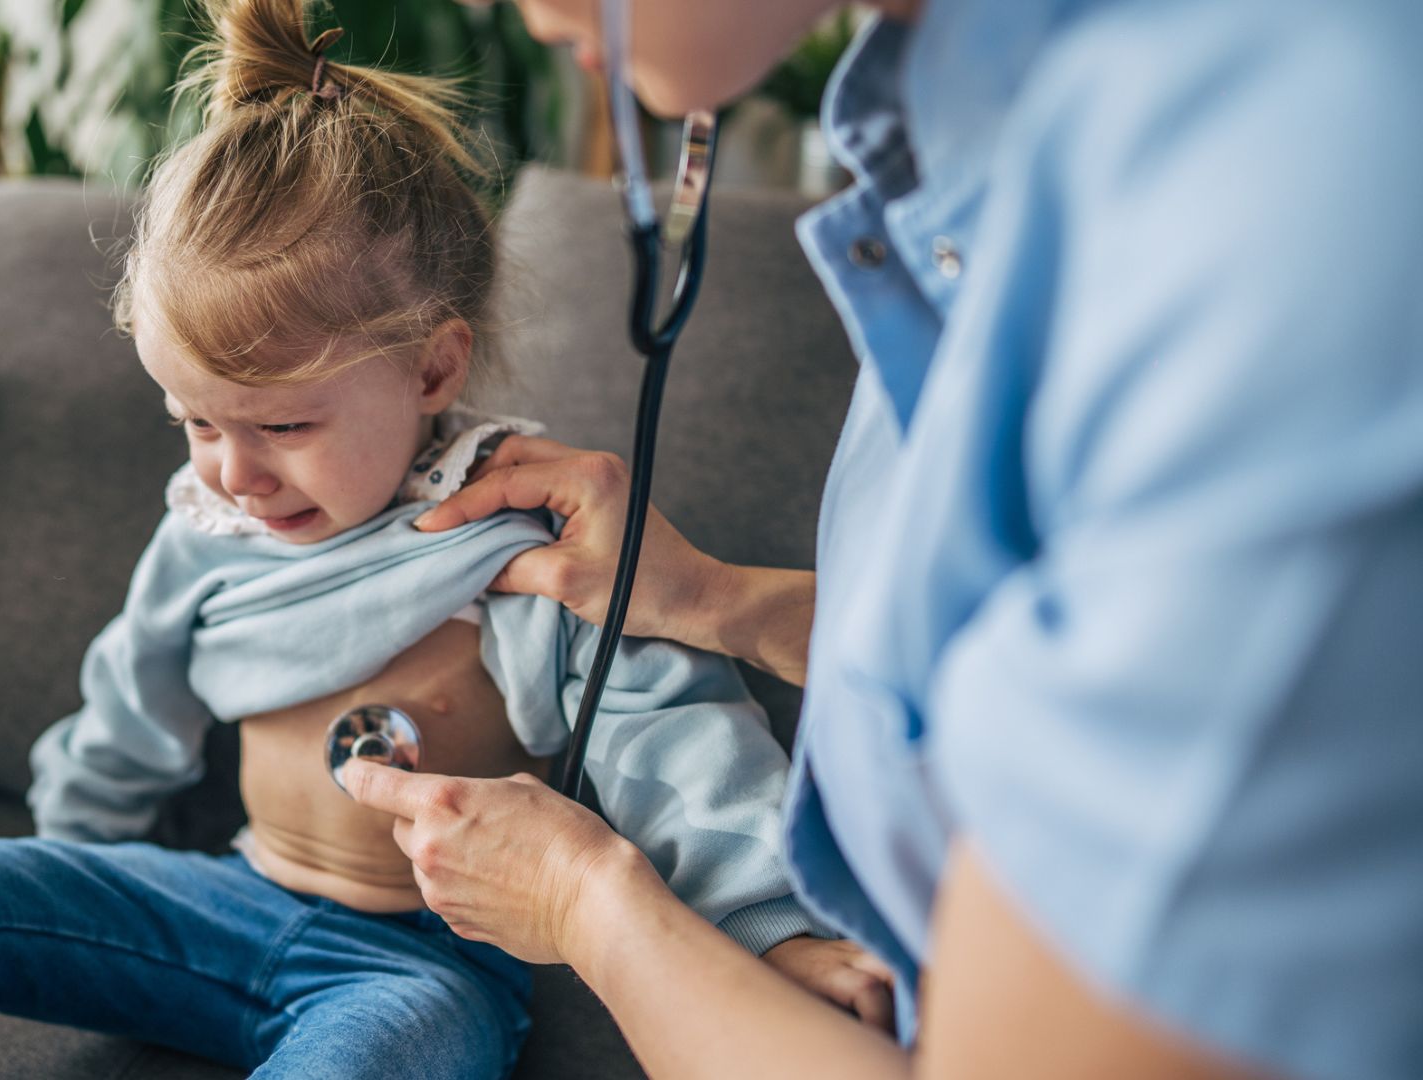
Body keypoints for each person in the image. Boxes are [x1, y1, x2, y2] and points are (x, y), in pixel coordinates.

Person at [0, 2, 891, 1077]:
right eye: (193, 422)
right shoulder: (211, 529)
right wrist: (70, 872)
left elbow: (671, 738)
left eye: (282, 423)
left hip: (419, 964)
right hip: (220, 902)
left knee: (397, 1043)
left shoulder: (523, 541)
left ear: (436, 365)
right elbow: (127, 708)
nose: (234, 470)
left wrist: (778, 937)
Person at [344, 0, 1423, 1078]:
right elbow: (1029, 655)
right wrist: (717, 600)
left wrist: (587, 903)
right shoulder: (984, 140)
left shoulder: (1289, 217)